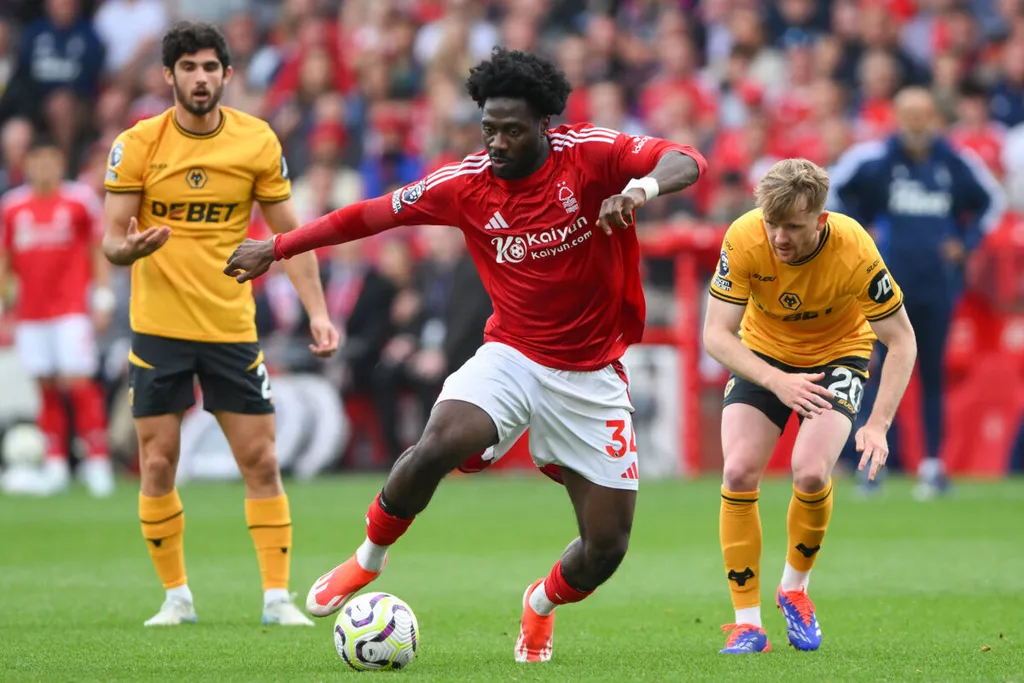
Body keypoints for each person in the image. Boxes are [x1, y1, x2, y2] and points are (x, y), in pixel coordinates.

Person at [225, 47, 707, 663]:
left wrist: (639, 188)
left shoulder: (588, 155)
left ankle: (539, 605)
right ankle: (367, 559)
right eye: (489, 129)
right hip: (512, 353)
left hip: (592, 374)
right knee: (440, 441)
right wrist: (279, 246)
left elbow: (687, 158)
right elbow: (367, 216)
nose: (498, 142)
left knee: (606, 548)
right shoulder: (465, 184)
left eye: (512, 129)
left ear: (544, 126)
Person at [101, 21, 339, 628]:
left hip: (232, 327)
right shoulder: (138, 144)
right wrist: (129, 252)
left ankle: (277, 599)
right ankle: (176, 596)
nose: (200, 78)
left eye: (210, 68)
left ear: (227, 75)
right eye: (188, 68)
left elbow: (294, 237)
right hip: (158, 326)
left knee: (261, 460)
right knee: (156, 461)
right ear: (169, 76)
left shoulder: (256, 142)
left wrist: (317, 313)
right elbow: (111, 241)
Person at [703, 158, 917, 654]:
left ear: (821, 220)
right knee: (736, 472)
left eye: (793, 227)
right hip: (764, 356)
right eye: (772, 224)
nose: (779, 237)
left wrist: (878, 424)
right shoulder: (743, 236)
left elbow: (901, 340)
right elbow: (715, 334)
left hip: (837, 354)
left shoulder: (854, 249)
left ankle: (795, 590)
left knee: (810, 474)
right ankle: (747, 624)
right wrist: (777, 380)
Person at [828, 86, 1005, 499]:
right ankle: (868, 467)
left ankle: (932, 466)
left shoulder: (954, 162)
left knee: (930, 376)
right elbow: (832, 191)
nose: (916, 123)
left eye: (924, 114)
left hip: (936, 286)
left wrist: (966, 240)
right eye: (909, 114)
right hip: (882, 288)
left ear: (935, 118)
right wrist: (859, 233)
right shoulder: (875, 160)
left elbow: (991, 201)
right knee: (870, 374)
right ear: (896, 116)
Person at [0, 135, 115, 497]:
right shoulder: (12, 206)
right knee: (45, 388)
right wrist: (5, 307)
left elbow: (97, 249)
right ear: (28, 164)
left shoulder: (79, 201)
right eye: (38, 160)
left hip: (70, 311)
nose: (44, 167)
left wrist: (102, 297)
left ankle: (97, 461)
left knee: (78, 385)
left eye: (51, 160)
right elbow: (5, 261)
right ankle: (55, 463)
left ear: (60, 162)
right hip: (31, 314)